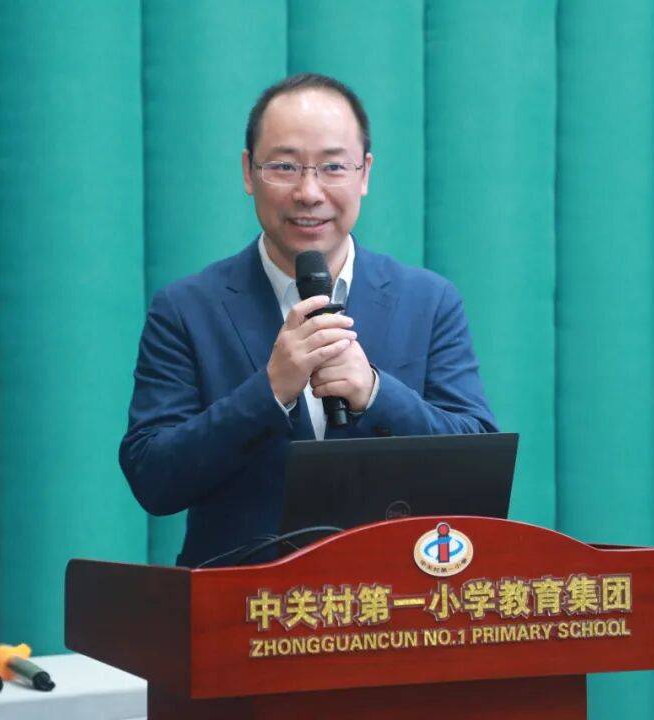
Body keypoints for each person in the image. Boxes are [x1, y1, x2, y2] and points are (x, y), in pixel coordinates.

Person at [120, 73, 497, 567]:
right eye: (284, 166)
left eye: (333, 167)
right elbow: (152, 478)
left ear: (364, 173)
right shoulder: (186, 308)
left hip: (393, 597)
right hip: (239, 601)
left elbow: (478, 464)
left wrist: (376, 394)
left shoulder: (429, 301)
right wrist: (268, 392)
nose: (309, 192)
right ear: (248, 172)